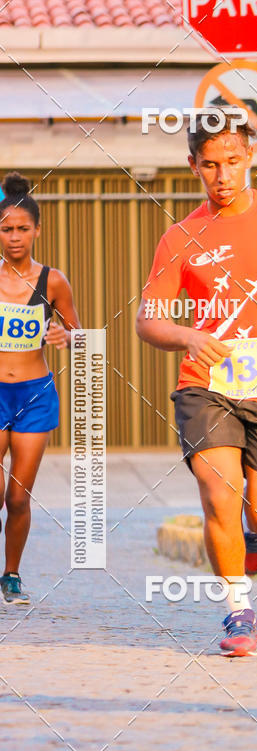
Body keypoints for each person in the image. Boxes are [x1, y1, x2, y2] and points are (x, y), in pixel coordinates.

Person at [136, 113, 257, 657]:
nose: (221, 175)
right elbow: (148, 319)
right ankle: (237, 613)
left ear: (250, 154)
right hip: (207, 387)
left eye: (231, 161)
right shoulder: (180, 237)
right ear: (193, 165)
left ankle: (255, 535)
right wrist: (187, 336)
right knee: (218, 494)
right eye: (209, 165)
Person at [0, 172, 81, 604]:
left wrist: (65, 338)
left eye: (22, 229)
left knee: (16, 497)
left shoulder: (53, 281)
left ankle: (11, 574)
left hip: (33, 395)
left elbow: (79, 333)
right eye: (6, 229)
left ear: (37, 230)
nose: (15, 238)